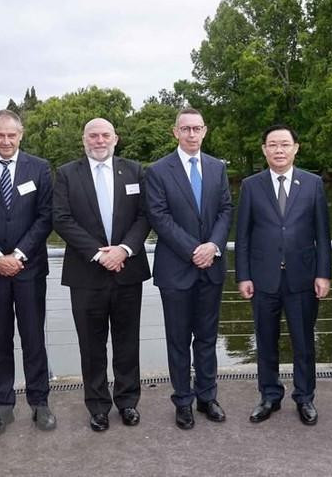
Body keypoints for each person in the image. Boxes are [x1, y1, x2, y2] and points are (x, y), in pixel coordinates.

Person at [53, 118, 151, 432]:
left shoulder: (134, 171)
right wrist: (99, 254)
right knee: (91, 345)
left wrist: (124, 250)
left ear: (115, 139)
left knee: (127, 343)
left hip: (128, 270)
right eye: (93, 136)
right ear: (84, 140)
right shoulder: (67, 174)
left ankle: (128, 402)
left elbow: (145, 215)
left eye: (105, 135)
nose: (99, 140)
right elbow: (61, 219)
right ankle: (97, 407)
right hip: (86, 274)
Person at [0, 109, 56, 437]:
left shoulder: (40, 168)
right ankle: (3, 408)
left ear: (21, 134)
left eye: (11, 135)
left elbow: (45, 216)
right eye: (0, 134)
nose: (6, 141)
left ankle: (40, 403)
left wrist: (17, 255)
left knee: (34, 339)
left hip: (29, 269)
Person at [235, 124, 331, 425]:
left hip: (303, 278)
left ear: (295, 148)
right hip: (262, 279)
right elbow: (243, 236)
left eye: (284, 144)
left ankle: (305, 397)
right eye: (273, 145)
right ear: (264, 149)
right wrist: (243, 276)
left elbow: (322, 235)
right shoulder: (251, 185)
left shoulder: (313, 183)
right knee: (265, 342)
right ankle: (269, 396)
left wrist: (323, 274)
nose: (279, 150)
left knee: (304, 343)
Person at [144, 107, 232, 430]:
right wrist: (194, 250)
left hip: (212, 267)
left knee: (207, 338)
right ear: (175, 132)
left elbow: (225, 210)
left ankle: (207, 397)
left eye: (197, 128)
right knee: (178, 341)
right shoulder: (157, 171)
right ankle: (183, 401)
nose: (192, 134)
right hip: (176, 270)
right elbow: (159, 216)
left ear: (205, 131)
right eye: (186, 128)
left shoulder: (217, 168)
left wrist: (213, 245)